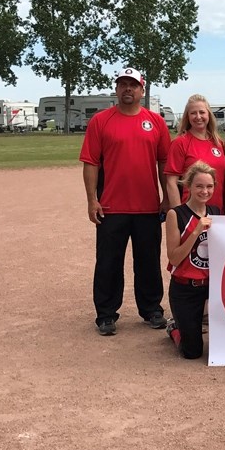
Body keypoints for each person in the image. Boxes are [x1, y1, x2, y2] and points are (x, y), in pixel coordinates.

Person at [79, 67, 170, 336]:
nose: (127, 89)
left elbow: (164, 162)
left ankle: (152, 309)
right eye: (123, 84)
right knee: (108, 262)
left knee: (148, 261)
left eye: (133, 85)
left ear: (142, 90)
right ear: (116, 89)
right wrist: (91, 200)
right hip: (111, 207)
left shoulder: (156, 122)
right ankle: (106, 315)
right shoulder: (101, 121)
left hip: (148, 207)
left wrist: (167, 197)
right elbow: (91, 162)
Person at [164, 161, 220, 359]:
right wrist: (197, 230)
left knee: (223, 347)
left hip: (212, 287)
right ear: (188, 186)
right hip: (185, 288)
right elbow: (174, 257)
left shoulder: (216, 213)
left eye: (209, 186)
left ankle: (195, 322)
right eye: (199, 186)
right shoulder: (176, 214)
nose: (204, 191)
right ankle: (174, 328)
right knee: (192, 352)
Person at [165, 94, 225, 211]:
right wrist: (179, 214)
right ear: (187, 117)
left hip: (217, 212)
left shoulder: (219, 143)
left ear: (208, 114)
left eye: (202, 112)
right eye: (193, 113)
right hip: (191, 212)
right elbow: (171, 182)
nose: (198, 117)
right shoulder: (180, 143)